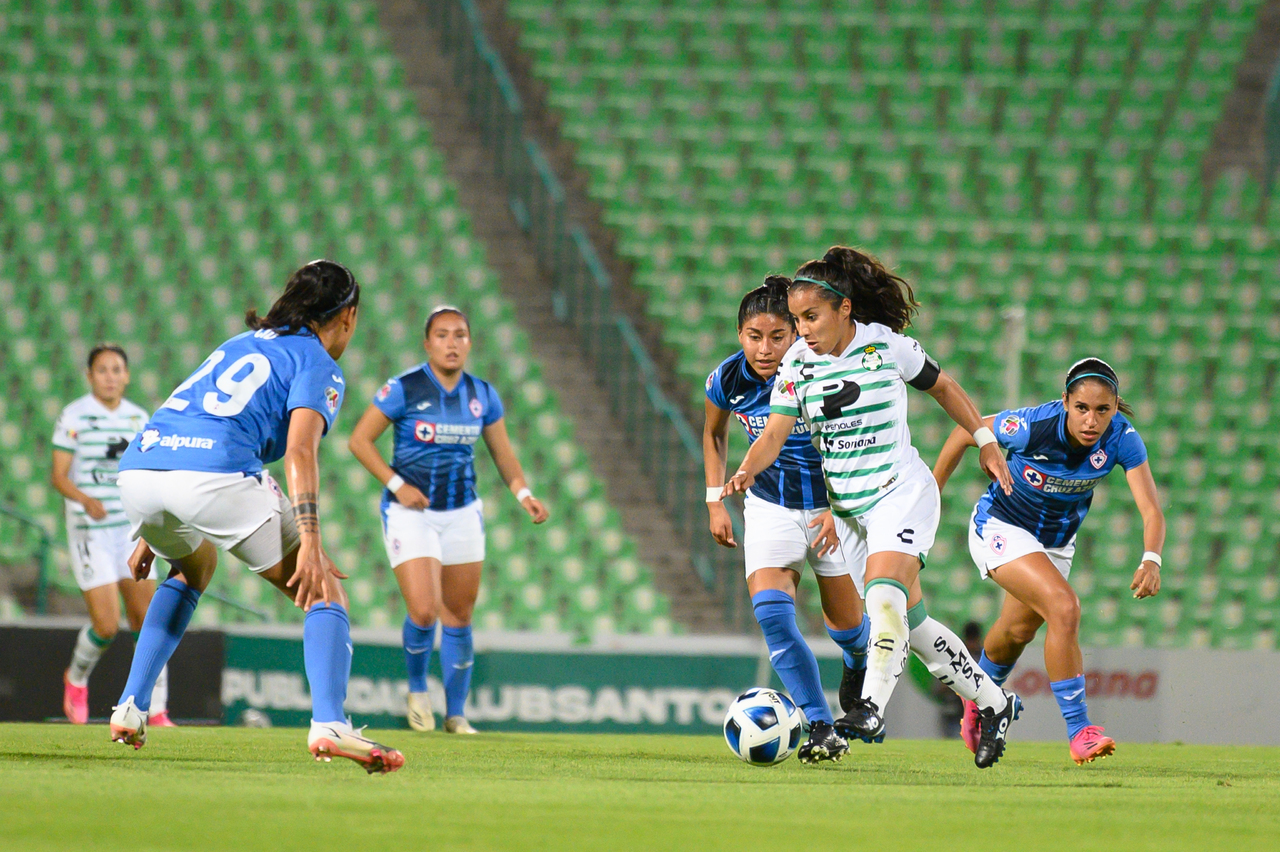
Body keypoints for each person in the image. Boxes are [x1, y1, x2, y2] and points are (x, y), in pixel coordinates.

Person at [723, 247, 1021, 769]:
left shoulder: (888, 347)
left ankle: (869, 708)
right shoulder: (796, 363)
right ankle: (996, 704)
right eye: (797, 319)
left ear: (844, 310)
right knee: (916, 624)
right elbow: (774, 432)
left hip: (901, 493)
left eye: (810, 317)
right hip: (850, 511)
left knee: (884, 599)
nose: (803, 329)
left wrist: (984, 438)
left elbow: (945, 386)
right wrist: (749, 466)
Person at [108, 260, 404, 774]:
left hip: (141, 469)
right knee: (324, 592)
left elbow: (189, 414)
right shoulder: (317, 363)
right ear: (348, 317)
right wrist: (310, 539)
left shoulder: (238, 343)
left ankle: (130, 709)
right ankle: (330, 723)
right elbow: (300, 452)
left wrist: (154, 530)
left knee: (194, 567)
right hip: (212, 475)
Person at [933, 357, 1164, 765]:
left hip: (1055, 545)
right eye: (1082, 408)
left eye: (1102, 410)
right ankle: (1080, 733)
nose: (1092, 420)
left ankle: (978, 701)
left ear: (1115, 408)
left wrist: (1152, 559)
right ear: (1065, 403)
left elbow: (1151, 510)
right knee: (1064, 606)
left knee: (1014, 633)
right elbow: (964, 431)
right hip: (1000, 526)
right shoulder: (1031, 426)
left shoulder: (1123, 439)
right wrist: (931, 496)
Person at [349, 306, 548, 735]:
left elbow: (503, 454)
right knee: (423, 610)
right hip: (411, 512)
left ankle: (456, 715)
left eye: (460, 334)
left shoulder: (483, 395)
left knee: (458, 614)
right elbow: (360, 441)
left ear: (470, 342)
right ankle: (418, 690)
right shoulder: (403, 388)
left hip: (462, 513)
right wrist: (397, 483)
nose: (452, 343)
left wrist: (524, 494)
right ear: (427, 343)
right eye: (442, 335)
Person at [703, 277, 867, 764]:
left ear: (797, 333)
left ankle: (857, 668)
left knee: (848, 628)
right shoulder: (727, 379)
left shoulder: (823, 372)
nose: (765, 347)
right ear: (739, 335)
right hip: (770, 505)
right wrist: (715, 501)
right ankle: (819, 724)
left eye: (778, 336)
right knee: (774, 616)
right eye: (754, 335)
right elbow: (713, 434)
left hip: (831, 510)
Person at [51, 344, 173, 727]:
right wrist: (85, 499)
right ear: (89, 375)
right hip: (90, 532)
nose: (109, 376)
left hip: (128, 530)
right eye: (102, 369)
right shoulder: (74, 416)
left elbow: (150, 469)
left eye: (116, 369)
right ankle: (77, 678)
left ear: (127, 375)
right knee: (106, 624)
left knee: (148, 620)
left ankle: (155, 709)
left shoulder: (139, 418)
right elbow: (58, 476)